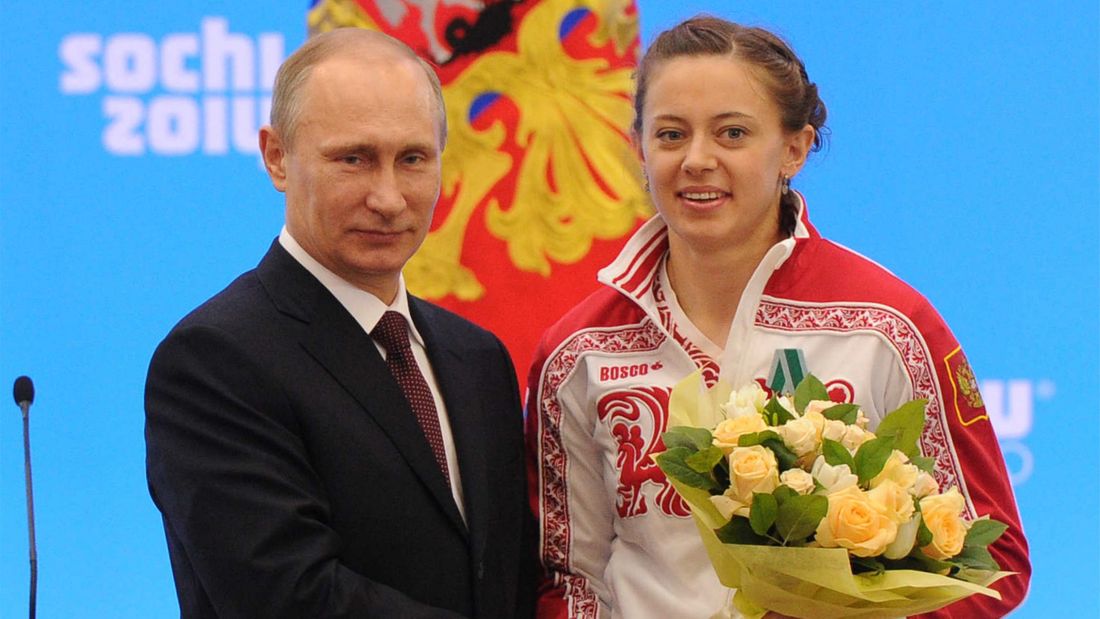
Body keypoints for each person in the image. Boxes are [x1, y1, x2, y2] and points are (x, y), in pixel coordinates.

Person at [525, 15, 1030, 619]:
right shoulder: (579, 351)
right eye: (670, 134)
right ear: (638, 146)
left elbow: (991, 559)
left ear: (795, 148)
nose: (697, 159)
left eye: (733, 133)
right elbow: (565, 576)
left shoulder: (888, 326)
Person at [145, 28, 534, 618]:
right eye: (354, 159)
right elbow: (288, 597)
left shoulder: (477, 358)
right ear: (276, 157)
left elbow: (512, 576)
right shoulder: (214, 360)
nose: (388, 198)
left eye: (412, 159)